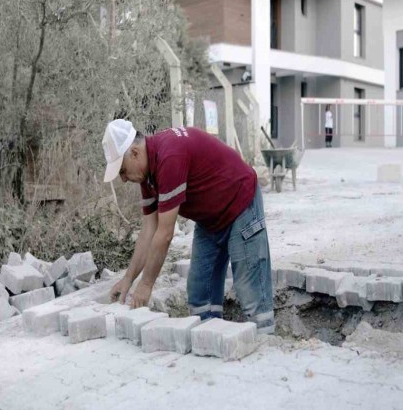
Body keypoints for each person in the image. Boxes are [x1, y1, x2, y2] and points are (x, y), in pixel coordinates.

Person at [102, 119, 275, 334]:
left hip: (241, 204)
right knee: (200, 294)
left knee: (250, 291)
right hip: (210, 218)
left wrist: (146, 284)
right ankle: (211, 343)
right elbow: (149, 232)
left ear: (135, 153)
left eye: (123, 171)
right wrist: (128, 280)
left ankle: (265, 343)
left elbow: (164, 234)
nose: (123, 179)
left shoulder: (169, 157)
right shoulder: (147, 176)